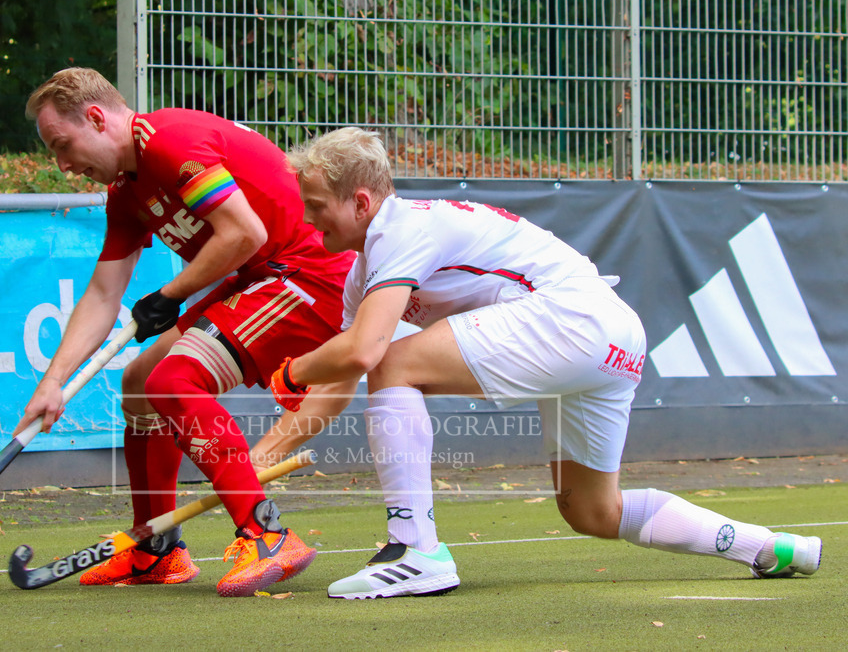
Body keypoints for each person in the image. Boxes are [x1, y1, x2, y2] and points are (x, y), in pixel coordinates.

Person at [268, 127, 823, 599]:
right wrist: (253, 464)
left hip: (573, 318)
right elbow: (343, 376)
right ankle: (770, 547)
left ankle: (415, 550)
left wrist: (291, 372)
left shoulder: (400, 229)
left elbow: (366, 355)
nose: (310, 222)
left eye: (317, 207)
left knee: (394, 363)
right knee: (594, 513)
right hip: (613, 338)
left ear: (361, 202)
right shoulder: (365, 271)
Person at [14, 68, 354, 597]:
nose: (62, 165)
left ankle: (267, 535)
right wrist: (53, 382)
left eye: (63, 145)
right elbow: (104, 294)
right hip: (256, 274)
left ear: (98, 118)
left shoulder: (169, 142)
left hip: (305, 272)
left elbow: (246, 232)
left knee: (174, 380)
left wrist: (170, 297)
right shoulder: (125, 190)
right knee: (140, 382)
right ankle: (157, 551)